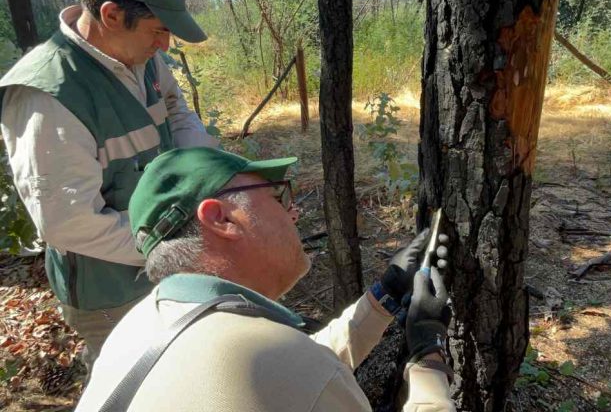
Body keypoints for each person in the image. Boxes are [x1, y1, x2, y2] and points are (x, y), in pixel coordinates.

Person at [76, 147, 455, 411]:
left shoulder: (138, 327)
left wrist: (383, 296)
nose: (292, 213)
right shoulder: (287, 367)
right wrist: (429, 358)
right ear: (221, 219)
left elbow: (294, 370)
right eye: (277, 196)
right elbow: (301, 374)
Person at [0, 0, 218, 369]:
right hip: (109, 295)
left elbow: (176, 112)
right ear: (112, 15)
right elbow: (70, 223)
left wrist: (209, 175)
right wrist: (175, 244)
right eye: (157, 30)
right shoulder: (48, 96)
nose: (165, 44)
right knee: (130, 382)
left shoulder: (145, 60)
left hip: (161, 262)